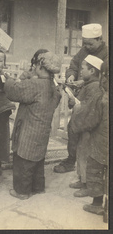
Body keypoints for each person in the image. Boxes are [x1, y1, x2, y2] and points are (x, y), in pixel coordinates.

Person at [4, 51, 61, 200]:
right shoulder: (52, 86)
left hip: (29, 131)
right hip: (42, 131)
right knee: (37, 160)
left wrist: (8, 80)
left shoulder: (35, 84)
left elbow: (14, 92)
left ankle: (21, 191)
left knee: (24, 160)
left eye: (35, 64)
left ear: (40, 66)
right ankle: (37, 187)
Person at [54, 23, 107, 173]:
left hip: (97, 100)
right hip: (81, 98)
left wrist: (84, 81)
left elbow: (105, 77)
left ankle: (88, 168)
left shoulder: (108, 54)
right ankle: (72, 159)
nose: (87, 46)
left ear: (99, 39)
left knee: (90, 136)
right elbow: (74, 64)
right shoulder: (84, 50)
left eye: (90, 43)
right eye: (85, 43)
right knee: (73, 127)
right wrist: (71, 75)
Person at [67, 55, 103, 197]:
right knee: (81, 152)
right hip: (83, 125)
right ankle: (82, 180)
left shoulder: (94, 87)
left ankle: (88, 184)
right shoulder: (89, 85)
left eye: (83, 68)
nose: (80, 71)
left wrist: (75, 102)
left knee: (86, 154)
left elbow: (89, 108)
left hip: (88, 127)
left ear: (92, 71)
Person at [82, 60, 109, 220]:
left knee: (95, 170)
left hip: (100, 143)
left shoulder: (102, 98)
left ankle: (97, 203)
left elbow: (90, 120)